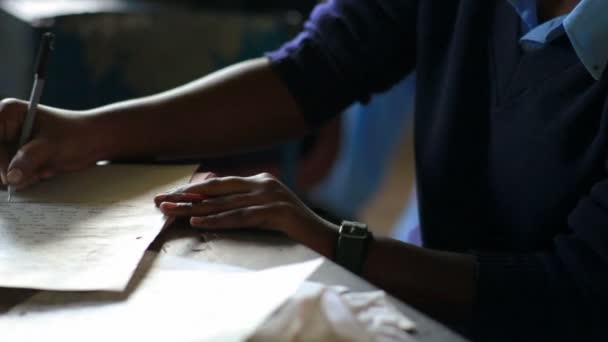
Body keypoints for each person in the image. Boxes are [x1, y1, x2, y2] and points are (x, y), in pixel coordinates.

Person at [0, 0, 606, 340]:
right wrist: (87, 131)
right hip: (426, 297)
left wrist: (337, 244)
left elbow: (569, 295)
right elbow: (317, 67)